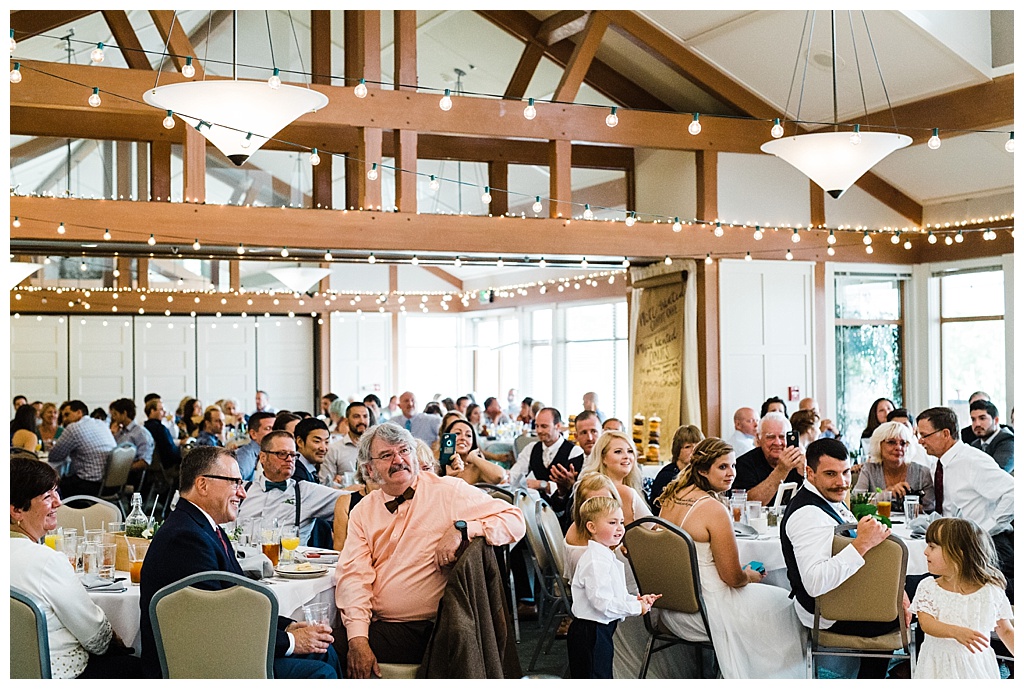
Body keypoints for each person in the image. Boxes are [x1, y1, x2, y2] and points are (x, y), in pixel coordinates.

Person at [337, 423, 525, 677]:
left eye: (404, 451)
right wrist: (358, 638)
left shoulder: (447, 492)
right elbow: (354, 576)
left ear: (415, 455)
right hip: (380, 624)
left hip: (432, 630)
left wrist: (463, 528)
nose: (398, 460)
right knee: (325, 637)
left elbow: (515, 520)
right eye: (386, 455)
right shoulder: (363, 511)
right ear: (369, 469)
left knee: (322, 649)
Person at [139, 446, 341, 679]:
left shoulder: (203, 527)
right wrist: (293, 641)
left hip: (223, 648)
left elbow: (236, 600)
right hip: (202, 664)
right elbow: (217, 620)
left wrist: (285, 627)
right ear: (203, 485)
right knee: (319, 672)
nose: (243, 493)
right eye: (234, 482)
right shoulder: (185, 538)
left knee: (324, 652)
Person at [657, 438, 806, 678]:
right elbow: (732, 578)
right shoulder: (713, 509)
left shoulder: (672, 497)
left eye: (734, 466)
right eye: (723, 467)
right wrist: (750, 574)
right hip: (709, 611)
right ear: (703, 470)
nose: (731, 474)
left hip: (672, 609)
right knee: (788, 605)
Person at [781, 438, 905, 678]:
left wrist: (899, 591)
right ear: (810, 472)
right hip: (827, 612)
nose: (842, 482)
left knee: (922, 589)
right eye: (830, 474)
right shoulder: (808, 515)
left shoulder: (829, 499)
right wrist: (861, 545)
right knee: (928, 601)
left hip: (845, 594)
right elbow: (815, 582)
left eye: (846, 472)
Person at [10, 458, 139, 678]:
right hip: (57, 672)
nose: (59, 503)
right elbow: (95, 636)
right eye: (47, 497)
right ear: (16, 511)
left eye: (56, 492)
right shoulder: (45, 561)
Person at [916, 407, 1014, 601]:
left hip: (988, 547)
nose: (920, 441)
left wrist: (982, 531)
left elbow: (1013, 492)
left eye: (925, 435)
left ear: (945, 434)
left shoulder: (972, 460)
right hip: (955, 545)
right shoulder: (938, 463)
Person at [567, 496, 661, 679]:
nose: (620, 528)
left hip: (600, 629)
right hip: (590, 631)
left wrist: (636, 600)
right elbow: (603, 603)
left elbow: (614, 593)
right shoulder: (595, 561)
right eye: (612, 522)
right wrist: (635, 608)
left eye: (621, 522)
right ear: (591, 527)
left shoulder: (605, 555)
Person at [911, 517, 1014, 679]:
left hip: (977, 665)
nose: (925, 552)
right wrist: (955, 632)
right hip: (937, 665)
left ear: (957, 553)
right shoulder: (929, 587)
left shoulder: (990, 591)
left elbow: (1006, 630)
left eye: (932, 547)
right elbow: (926, 623)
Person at [237, 431, 349, 549]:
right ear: (263, 457)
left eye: (293, 455)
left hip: (288, 564)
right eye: (282, 454)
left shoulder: (306, 492)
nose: (289, 459)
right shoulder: (242, 490)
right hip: (242, 564)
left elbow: (355, 501)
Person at [508, 407, 585, 522]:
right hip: (532, 512)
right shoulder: (531, 448)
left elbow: (574, 491)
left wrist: (542, 484)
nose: (539, 431)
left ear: (558, 426)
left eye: (544, 426)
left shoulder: (574, 452)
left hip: (564, 516)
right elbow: (514, 475)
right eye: (537, 426)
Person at [854, 421, 935, 512]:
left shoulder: (922, 472)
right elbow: (856, 499)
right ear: (879, 445)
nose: (898, 447)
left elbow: (930, 508)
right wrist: (887, 494)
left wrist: (913, 506)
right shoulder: (869, 469)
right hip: (877, 524)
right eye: (891, 442)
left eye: (903, 443)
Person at [732, 412, 804, 506]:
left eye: (782, 437)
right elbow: (752, 504)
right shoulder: (744, 464)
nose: (777, 443)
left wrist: (805, 475)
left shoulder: (798, 461)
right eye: (771, 437)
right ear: (758, 438)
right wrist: (781, 470)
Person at [48, 400, 117, 497]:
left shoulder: (73, 428)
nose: (64, 419)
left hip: (90, 485)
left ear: (79, 412)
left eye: (67, 414)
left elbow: (54, 456)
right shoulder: (101, 424)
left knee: (53, 486)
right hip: (112, 484)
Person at [579, 431, 650, 524]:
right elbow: (655, 531)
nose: (626, 456)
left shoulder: (633, 487)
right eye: (618, 452)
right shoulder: (623, 492)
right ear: (603, 457)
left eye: (630, 451)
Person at [648, 424, 703, 511]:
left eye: (697, 446)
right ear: (677, 450)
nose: (694, 450)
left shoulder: (703, 472)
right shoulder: (666, 476)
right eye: (688, 447)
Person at [442, 418, 507, 485]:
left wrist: (474, 458)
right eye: (457, 433)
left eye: (468, 435)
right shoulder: (438, 466)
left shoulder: (475, 468)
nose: (463, 438)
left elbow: (499, 476)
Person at [324, 402, 371, 486]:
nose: (362, 421)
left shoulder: (376, 447)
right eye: (356, 416)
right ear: (346, 421)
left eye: (365, 416)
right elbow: (325, 484)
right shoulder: (334, 449)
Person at [109, 397, 155, 471]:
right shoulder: (120, 432)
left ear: (124, 414)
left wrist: (123, 469)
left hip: (130, 473)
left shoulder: (141, 433)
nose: (113, 417)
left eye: (115, 414)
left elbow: (144, 461)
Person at [969, 399, 1014, 473]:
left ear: (996, 420)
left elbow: (996, 474)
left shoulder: (1009, 441)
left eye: (982, 418)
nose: (977, 424)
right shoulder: (974, 445)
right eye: (973, 419)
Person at [233, 411, 276, 481]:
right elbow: (235, 482)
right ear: (253, 434)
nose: (274, 432)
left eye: (275, 429)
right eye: (268, 428)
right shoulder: (246, 455)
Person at [143, 397, 183, 471]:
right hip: (170, 466)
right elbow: (170, 451)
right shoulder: (160, 429)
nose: (164, 413)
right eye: (161, 409)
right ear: (152, 411)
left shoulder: (144, 428)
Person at [293, 417, 332, 484]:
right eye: (317, 441)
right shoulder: (295, 472)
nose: (323, 448)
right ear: (300, 442)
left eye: (326, 442)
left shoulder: (310, 468)